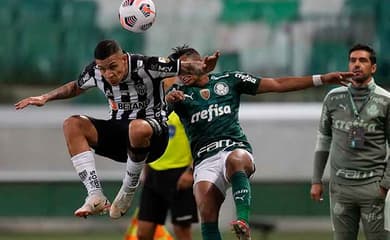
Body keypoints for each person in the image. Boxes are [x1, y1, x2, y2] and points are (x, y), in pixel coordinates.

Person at [165, 45, 355, 240]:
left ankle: (243, 222)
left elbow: (278, 84)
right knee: (206, 210)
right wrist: (169, 101)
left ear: (200, 64)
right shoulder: (177, 92)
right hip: (204, 159)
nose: (183, 75)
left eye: (186, 68)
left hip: (234, 147)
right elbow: (157, 115)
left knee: (235, 160)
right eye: (179, 70)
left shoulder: (230, 80)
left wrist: (322, 79)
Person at [14, 39, 219, 219]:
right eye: (102, 69)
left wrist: (203, 67)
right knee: (72, 123)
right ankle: (95, 195)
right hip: (120, 135)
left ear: (123, 59)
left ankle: (128, 189)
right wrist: (46, 97)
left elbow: (183, 67)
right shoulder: (95, 72)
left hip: (154, 135)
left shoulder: (147, 64)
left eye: (112, 67)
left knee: (137, 128)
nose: (108, 74)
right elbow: (76, 86)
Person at [310, 44, 390, 240]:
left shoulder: (385, 100)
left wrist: (384, 185)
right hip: (341, 188)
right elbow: (323, 140)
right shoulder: (333, 97)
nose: (356, 65)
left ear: (373, 68)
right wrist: (316, 180)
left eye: (363, 60)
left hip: (373, 186)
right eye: (353, 60)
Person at [136, 76, 198, 240]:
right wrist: (144, 168)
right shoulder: (149, 107)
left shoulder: (185, 105)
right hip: (154, 173)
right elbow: (145, 140)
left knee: (182, 231)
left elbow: (199, 141)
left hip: (179, 175)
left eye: (168, 75)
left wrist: (191, 172)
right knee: (143, 232)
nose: (163, 79)